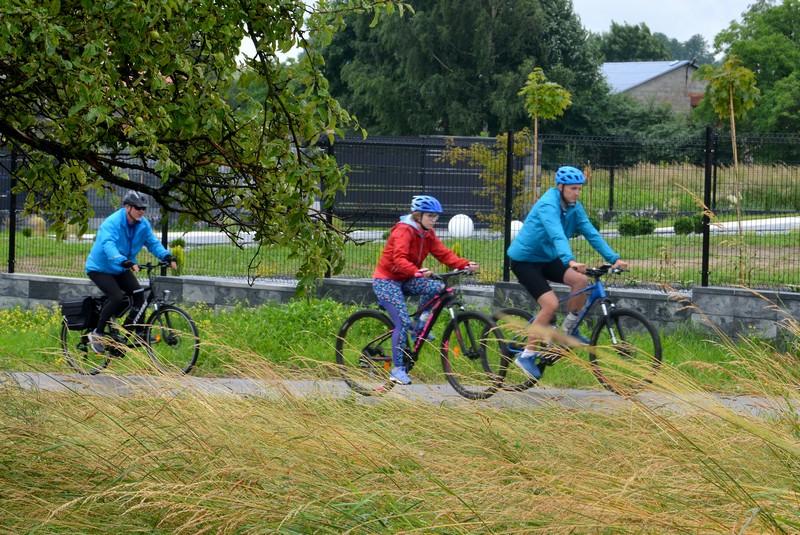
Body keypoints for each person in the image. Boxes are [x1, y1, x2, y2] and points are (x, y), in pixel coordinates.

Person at [506, 166, 628, 380]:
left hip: (547, 258)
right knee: (550, 304)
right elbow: (556, 234)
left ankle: (568, 330)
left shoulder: (574, 207)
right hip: (525, 260)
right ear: (560, 187)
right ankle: (526, 355)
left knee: (580, 280)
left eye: (579, 189)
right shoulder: (548, 204)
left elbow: (591, 232)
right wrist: (569, 260)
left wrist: (613, 258)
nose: (577, 193)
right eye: (573, 188)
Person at [373, 195, 479, 385]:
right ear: (418, 215)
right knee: (401, 323)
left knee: (438, 288)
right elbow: (399, 258)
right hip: (386, 281)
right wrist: (416, 271)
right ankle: (397, 369)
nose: (434, 220)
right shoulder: (404, 231)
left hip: (407, 278)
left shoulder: (427, 233)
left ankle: (418, 327)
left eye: (436, 216)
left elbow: (443, 253)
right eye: (430, 216)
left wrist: (464, 264)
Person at [85, 190, 176, 353]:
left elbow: (153, 243)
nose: (141, 211)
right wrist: (122, 260)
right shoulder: (112, 223)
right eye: (138, 208)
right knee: (116, 297)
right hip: (100, 268)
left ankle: (136, 332)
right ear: (127, 207)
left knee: (139, 294)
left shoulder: (143, 225)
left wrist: (166, 256)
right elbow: (108, 245)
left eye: (144, 208)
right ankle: (97, 333)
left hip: (121, 267)